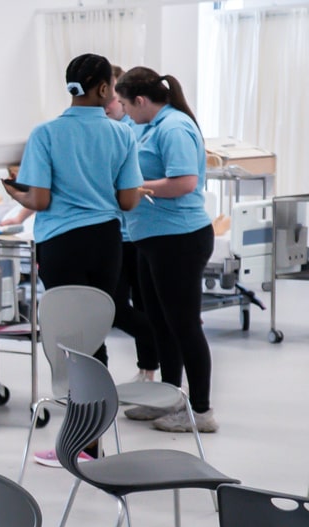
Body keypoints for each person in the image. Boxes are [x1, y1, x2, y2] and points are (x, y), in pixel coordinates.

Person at [3, 53, 143, 468]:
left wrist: (16, 193)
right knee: (96, 335)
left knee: (68, 339)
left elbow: (40, 199)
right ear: (102, 88)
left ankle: (77, 441)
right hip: (105, 242)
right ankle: (91, 444)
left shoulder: (46, 134)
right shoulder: (121, 134)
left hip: (61, 244)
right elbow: (129, 201)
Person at [115, 67, 217, 433]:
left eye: (125, 104)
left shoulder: (174, 127)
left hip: (180, 239)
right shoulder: (146, 126)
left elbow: (185, 182)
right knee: (160, 324)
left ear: (141, 100)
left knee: (184, 326)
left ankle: (201, 411)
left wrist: (136, 187)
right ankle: (168, 397)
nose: (123, 111)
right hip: (152, 239)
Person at [105, 64, 161, 383]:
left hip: (137, 233)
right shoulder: (107, 128)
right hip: (115, 232)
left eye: (116, 99)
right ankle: (156, 345)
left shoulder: (133, 129)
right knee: (114, 305)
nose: (110, 104)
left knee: (142, 301)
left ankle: (148, 369)